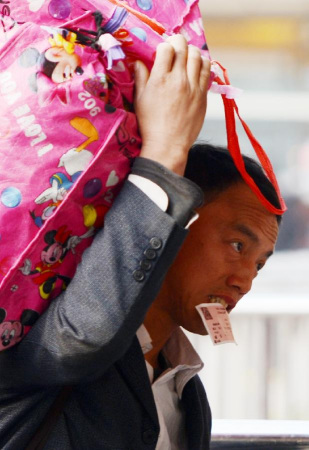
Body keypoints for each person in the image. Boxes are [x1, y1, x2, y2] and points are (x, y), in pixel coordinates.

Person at [0, 35, 281, 450]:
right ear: (177, 222)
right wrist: (166, 152)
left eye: (259, 264)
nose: (245, 280)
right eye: (239, 246)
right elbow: (82, 337)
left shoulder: (189, 397)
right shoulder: (33, 339)